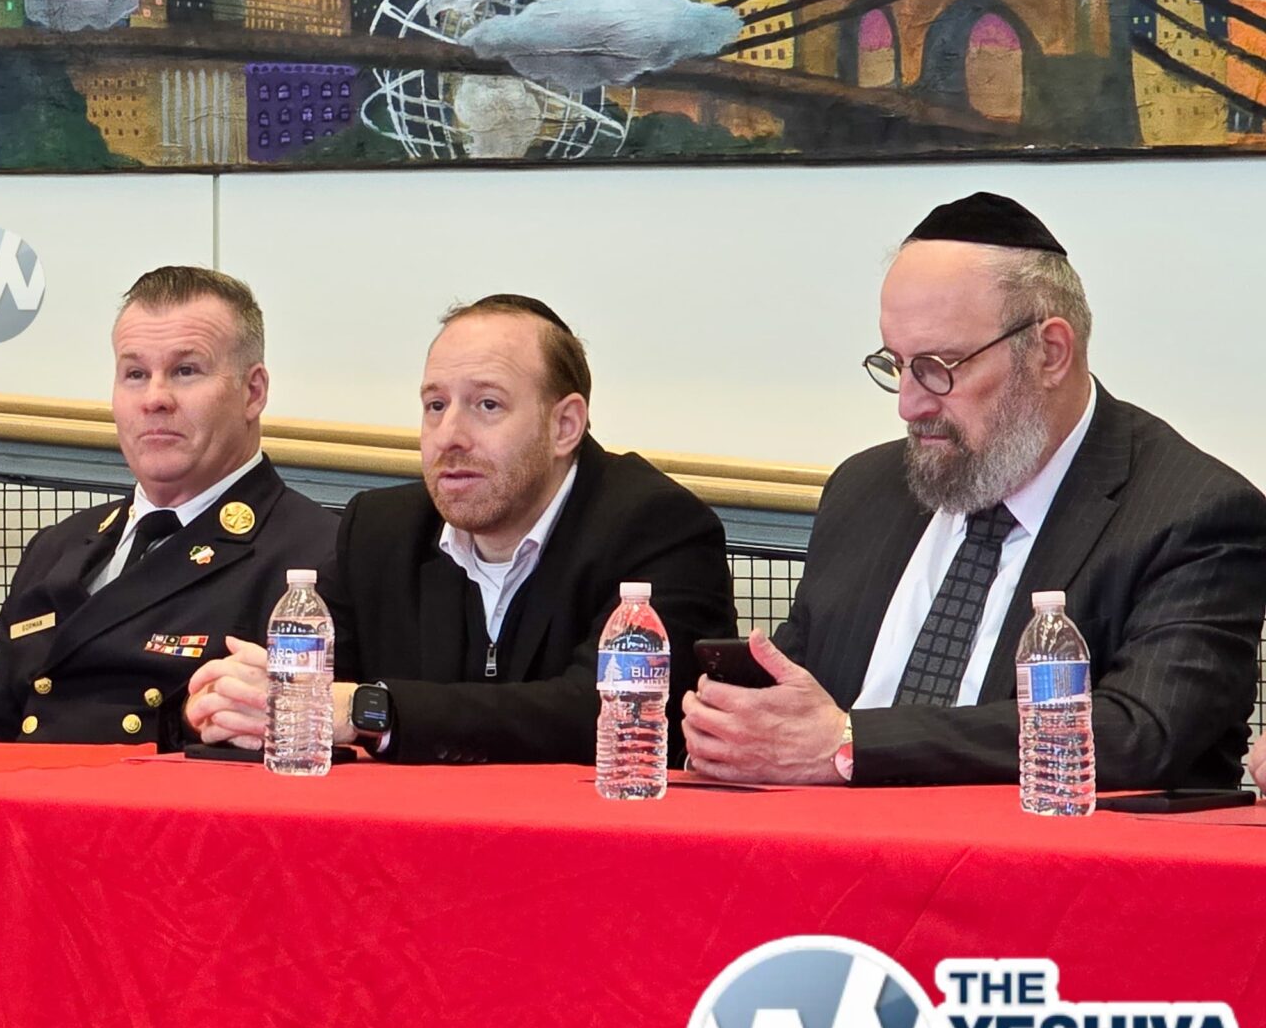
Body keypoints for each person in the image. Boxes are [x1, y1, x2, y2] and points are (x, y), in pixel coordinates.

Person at [684, 194, 1266, 789]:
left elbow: (1141, 733)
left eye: (939, 367)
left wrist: (855, 744)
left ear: (1050, 353)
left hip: (1041, 844)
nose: (910, 404)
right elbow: (797, 697)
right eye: (897, 365)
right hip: (821, 840)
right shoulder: (865, 490)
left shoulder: (1192, 513)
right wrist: (741, 727)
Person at [186, 295, 734, 762]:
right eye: (435, 405)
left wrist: (371, 710)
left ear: (564, 425)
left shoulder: (658, 526)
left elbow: (610, 713)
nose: (449, 435)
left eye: (487, 405)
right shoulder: (380, 531)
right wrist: (242, 704)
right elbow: (307, 695)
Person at [0, 268, 334, 746]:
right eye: (135, 374)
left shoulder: (317, 555)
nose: (155, 399)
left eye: (185, 371)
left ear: (253, 392)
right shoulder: (56, 548)